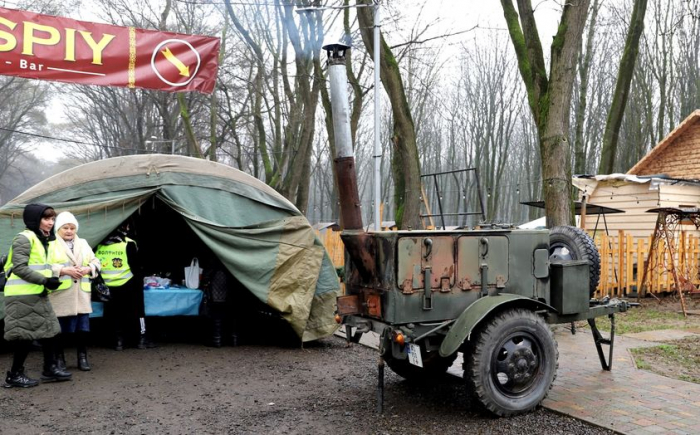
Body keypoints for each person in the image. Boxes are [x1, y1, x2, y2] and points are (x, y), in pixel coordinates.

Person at [3, 203, 72, 388]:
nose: (51, 223)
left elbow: (41, 266)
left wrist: (52, 279)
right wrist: (45, 281)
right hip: (22, 295)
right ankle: (15, 375)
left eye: (52, 219)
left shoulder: (42, 239)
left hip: (37, 294)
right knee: (24, 336)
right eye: (46, 218)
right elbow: (19, 268)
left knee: (51, 330)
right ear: (35, 219)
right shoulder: (24, 238)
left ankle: (49, 368)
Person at [48, 212, 101, 372]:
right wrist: (63, 270)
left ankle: (82, 357)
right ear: (58, 229)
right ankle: (59, 358)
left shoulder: (83, 243)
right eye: (65, 228)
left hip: (81, 293)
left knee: (82, 329)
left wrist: (88, 268)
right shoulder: (50, 244)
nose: (69, 231)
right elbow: (44, 266)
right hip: (61, 294)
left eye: (72, 228)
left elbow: (96, 261)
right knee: (60, 330)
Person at [95, 221, 155, 350]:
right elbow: (136, 267)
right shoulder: (128, 243)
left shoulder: (100, 244)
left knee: (113, 313)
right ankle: (141, 338)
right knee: (138, 310)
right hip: (128, 283)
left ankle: (118, 341)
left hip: (107, 285)